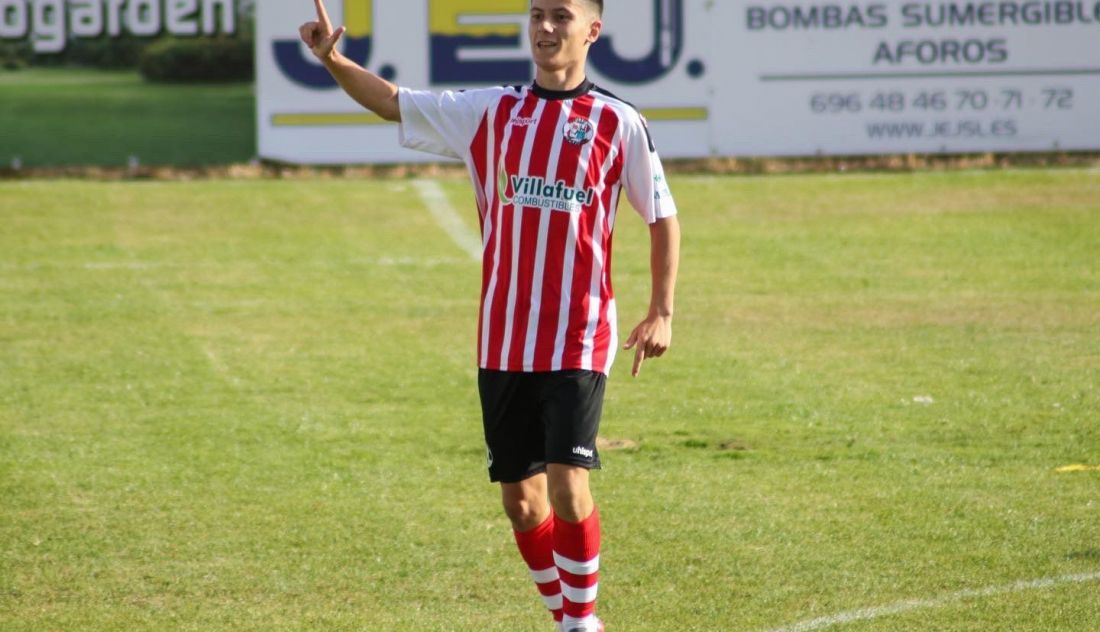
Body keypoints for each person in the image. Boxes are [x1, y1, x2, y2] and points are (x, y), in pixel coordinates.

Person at [299, 1, 680, 630]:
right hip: (504, 339)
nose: (546, 27)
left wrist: (661, 311)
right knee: (524, 506)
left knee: (568, 485)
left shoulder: (619, 122)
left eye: (561, 15)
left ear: (592, 30)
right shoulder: (491, 111)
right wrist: (334, 60)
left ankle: (581, 623)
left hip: (580, 335)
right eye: (537, 14)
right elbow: (393, 102)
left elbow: (661, 216)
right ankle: (567, 618)